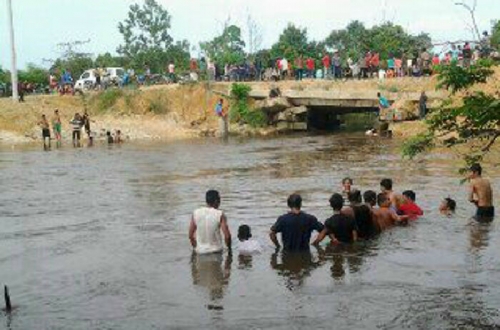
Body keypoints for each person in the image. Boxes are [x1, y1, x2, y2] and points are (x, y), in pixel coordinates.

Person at [189, 190, 232, 254]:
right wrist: (229, 250)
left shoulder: (196, 213)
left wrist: (196, 247)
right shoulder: (220, 214)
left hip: (200, 251)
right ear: (216, 201)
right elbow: (227, 236)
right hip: (216, 251)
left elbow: (191, 235)